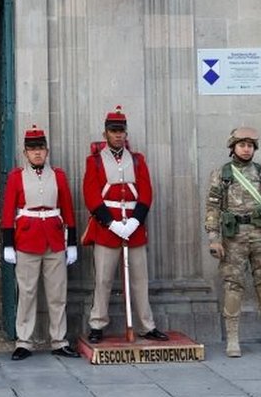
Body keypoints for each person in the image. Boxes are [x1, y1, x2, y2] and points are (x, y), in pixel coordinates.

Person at [81, 106, 169, 344]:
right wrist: (111, 223)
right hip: (107, 227)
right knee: (103, 279)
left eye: (121, 131)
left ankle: (146, 325)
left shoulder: (138, 160)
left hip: (134, 227)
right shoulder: (95, 161)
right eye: (114, 131)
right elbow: (91, 195)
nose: (118, 135)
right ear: (106, 133)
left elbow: (146, 192)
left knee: (140, 279)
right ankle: (97, 323)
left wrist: (135, 221)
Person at [205, 127, 261, 358]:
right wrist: (214, 238)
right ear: (233, 147)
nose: (246, 149)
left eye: (250, 146)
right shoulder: (223, 174)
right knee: (233, 285)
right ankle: (233, 339)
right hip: (234, 236)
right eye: (242, 145)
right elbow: (213, 208)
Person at [1, 125, 81, 360]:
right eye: (32, 149)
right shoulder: (16, 177)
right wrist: (8, 244)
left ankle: (59, 340)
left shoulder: (58, 175)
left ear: (47, 151)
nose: (37, 153)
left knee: (58, 294)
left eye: (40, 149)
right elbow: (8, 211)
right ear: (25, 153)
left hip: (54, 240)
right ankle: (24, 341)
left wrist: (72, 242)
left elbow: (67, 208)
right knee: (26, 293)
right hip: (26, 240)